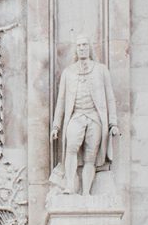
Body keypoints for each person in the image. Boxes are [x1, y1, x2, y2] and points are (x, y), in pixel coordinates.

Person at [51, 37, 120, 196]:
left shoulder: (101, 70)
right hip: (76, 116)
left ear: (89, 47)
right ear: (76, 49)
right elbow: (61, 101)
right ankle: (69, 185)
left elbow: (110, 98)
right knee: (71, 148)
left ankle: (87, 192)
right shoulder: (68, 72)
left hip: (95, 117)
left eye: (84, 44)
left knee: (91, 157)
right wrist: (56, 126)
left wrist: (113, 123)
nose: (82, 48)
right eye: (79, 45)